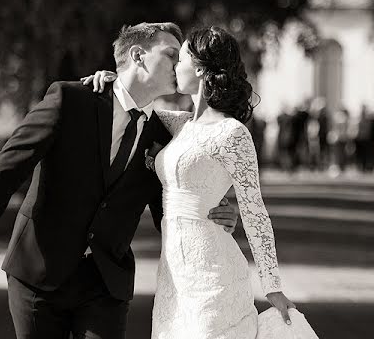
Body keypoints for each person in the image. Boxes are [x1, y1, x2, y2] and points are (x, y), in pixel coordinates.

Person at [0, 22, 239, 339]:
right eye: (172, 54)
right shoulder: (71, 100)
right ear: (139, 55)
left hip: (106, 283)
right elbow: (7, 168)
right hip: (39, 271)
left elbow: (167, 210)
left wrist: (213, 213)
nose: (181, 64)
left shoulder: (163, 135)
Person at [83, 26, 296, 339]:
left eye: (178, 58)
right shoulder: (179, 124)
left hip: (213, 271)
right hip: (173, 275)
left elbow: (255, 213)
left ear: (198, 69)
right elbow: (132, 103)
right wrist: (115, 79)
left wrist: (273, 287)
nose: (173, 66)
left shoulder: (232, 133)